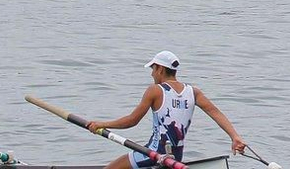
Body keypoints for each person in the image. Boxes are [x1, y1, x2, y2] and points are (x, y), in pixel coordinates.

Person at [85, 52, 247, 167]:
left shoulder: (155, 90)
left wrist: (100, 124)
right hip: (176, 157)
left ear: (160, 69)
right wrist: (235, 137)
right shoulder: (193, 92)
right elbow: (215, 113)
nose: (152, 75)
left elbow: (132, 121)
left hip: (153, 155)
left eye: (153, 69)